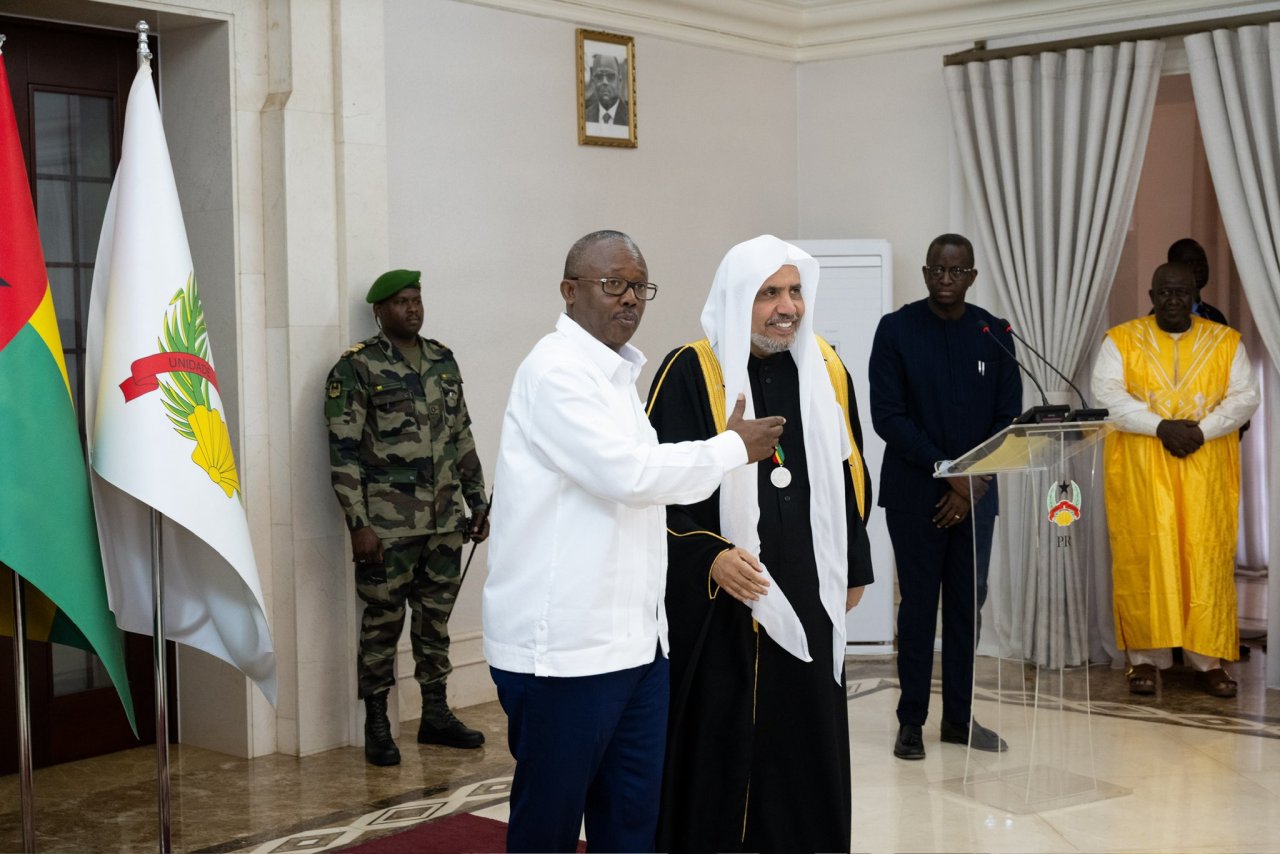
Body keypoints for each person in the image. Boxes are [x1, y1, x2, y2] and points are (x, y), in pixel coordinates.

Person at [482, 230, 784, 853]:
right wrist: (731, 449)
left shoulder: (619, 378)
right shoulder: (555, 371)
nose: (629, 300)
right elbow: (627, 475)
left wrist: (717, 452)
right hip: (564, 652)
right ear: (569, 291)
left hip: (639, 648)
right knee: (549, 825)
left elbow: (645, 480)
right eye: (611, 284)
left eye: (638, 287)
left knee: (630, 823)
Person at [646, 235, 874, 853]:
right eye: (769, 293)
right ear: (737, 298)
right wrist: (708, 555)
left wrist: (853, 564)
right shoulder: (691, 371)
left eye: (795, 291)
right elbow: (655, 488)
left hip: (808, 583)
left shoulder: (825, 367)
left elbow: (853, 470)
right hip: (723, 597)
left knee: (805, 734)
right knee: (727, 737)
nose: (787, 307)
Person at [325, 269, 490, 767]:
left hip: (443, 521)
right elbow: (343, 452)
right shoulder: (358, 368)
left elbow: (461, 435)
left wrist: (476, 500)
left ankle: (436, 714)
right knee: (382, 622)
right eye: (400, 302)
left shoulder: (442, 360)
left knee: (435, 621)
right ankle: (377, 721)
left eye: (417, 300)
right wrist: (359, 523)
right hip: (387, 528)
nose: (412, 309)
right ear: (379, 311)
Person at [869, 233, 1022, 761]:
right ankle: (911, 721)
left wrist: (971, 482)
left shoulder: (994, 333)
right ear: (927, 272)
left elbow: (1008, 419)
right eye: (937, 270)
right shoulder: (896, 330)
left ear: (972, 276)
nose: (945, 280)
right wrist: (946, 472)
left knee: (966, 610)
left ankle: (959, 719)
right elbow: (888, 416)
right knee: (917, 609)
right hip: (917, 497)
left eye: (956, 272)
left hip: (977, 497)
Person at [1092, 262, 1259, 698]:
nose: (1172, 300)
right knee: (1147, 558)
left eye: (1181, 293)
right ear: (1151, 295)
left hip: (1204, 472)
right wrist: (1161, 427)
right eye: (1164, 292)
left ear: (1195, 295)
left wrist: (1202, 430)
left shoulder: (1225, 342)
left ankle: (1209, 660)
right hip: (1141, 471)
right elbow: (1106, 395)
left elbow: (1245, 397)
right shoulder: (1121, 340)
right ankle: (1145, 661)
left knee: (1204, 561)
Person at [1167, 238, 1229, 325]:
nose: (1199, 268)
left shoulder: (1215, 316)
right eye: (1189, 263)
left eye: (1201, 261)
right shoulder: (1162, 317)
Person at [585, 54, 629, 125]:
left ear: (619, 82)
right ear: (594, 82)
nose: (604, 82)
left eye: (610, 76)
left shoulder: (631, 119)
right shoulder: (585, 118)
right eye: (599, 77)